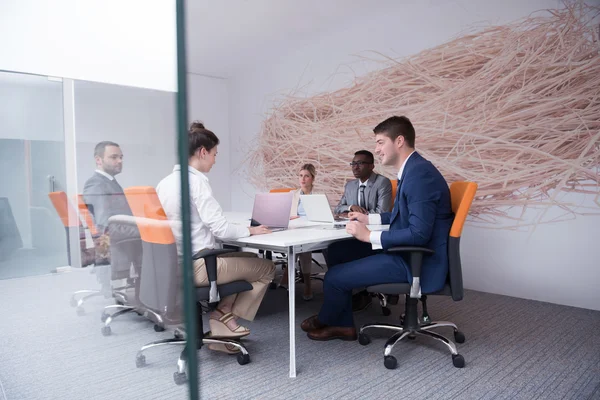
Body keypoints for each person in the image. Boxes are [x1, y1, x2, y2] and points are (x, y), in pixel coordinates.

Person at [301, 116, 454, 341]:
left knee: (333, 276)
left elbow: (419, 234)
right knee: (337, 252)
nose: (377, 149)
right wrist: (368, 219)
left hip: (414, 260)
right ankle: (342, 319)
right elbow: (401, 216)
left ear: (399, 141)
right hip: (404, 250)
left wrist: (370, 236)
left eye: (381, 142)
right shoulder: (413, 170)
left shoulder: (420, 175)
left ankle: (333, 320)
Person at [156, 121, 275, 353]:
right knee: (266, 268)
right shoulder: (197, 182)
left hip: (174, 264)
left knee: (249, 258)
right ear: (202, 152)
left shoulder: (164, 183)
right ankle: (222, 317)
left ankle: (222, 318)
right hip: (198, 265)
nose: (215, 160)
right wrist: (250, 230)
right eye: (214, 154)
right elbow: (220, 228)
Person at [83, 141, 141, 276]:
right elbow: (105, 223)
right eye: (114, 157)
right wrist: (141, 229)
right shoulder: (96, 184)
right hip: (116, 244)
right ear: (98, 160)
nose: (120, 161)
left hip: (120, 239)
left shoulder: (109, 182)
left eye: (121, 157)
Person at [279, 164, 317, 300]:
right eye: (301, 176)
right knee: (296, 245)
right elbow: (285, 213)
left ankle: (304, 283)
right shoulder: (293, 195)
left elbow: (321, 216)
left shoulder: (317, 195)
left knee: (302, 247)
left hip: (311, 230)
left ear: (312, 178)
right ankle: (301, 281)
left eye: (306, 176)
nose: (303, 179)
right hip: (294, 228)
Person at [334, 150, 392, 216]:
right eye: (353, 164)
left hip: (373, 225)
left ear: (371, 166)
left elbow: (382, 212)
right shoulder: (350, 185)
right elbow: (337, 209)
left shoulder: (382, 182)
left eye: (360, 163)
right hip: (352, 224)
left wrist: (357, 215)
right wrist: (350, 207)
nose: (355, 167)